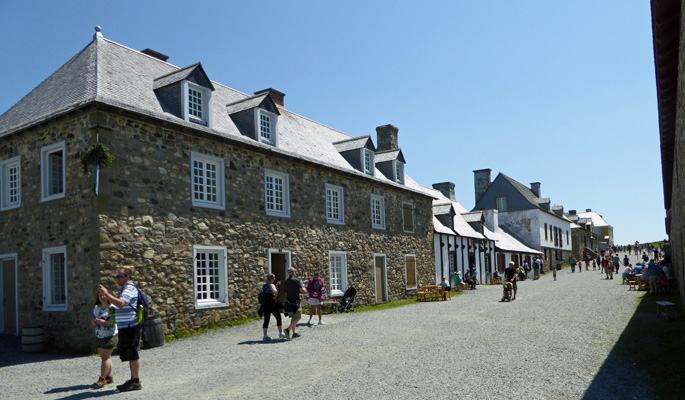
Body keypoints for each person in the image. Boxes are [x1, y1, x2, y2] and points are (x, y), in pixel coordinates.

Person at [98, 268, 142, 392]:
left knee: (132, 353)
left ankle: (135, 381)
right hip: (126, 326)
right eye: (117, 277)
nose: (117, 279)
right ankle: (134, 380)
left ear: (127, 277)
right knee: (130, 353)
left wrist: (107, 294)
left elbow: (121, 303)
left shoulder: (129, 288)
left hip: (130, 326)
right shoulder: (126, 288)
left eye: (119, 277)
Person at [92, 291, 118, 389]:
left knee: (105, 357)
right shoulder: (96, 308)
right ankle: (109, 376)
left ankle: (102, 379)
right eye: (100, 295)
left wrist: (104, 322)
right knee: (105, 356)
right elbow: (92, 318)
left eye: (104, 295)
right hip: (99, 335)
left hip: (110, 335)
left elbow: (114, 320)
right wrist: (95, 321)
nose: (102, 297)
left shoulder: (112, 308)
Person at [283, 267, 307, 339]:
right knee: (298, 317)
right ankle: (288, 330)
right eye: (294, 272)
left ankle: (294, 333)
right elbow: (302, 290)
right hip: (295, 301)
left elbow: (285, 291)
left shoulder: (286, 281)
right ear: (293, 273)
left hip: (289, 301)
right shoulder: (296, 280)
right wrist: (305, 289)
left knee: (293, 317)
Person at [259, 273, 284, 341]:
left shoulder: (264, 285)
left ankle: (265, 335)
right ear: (272, 279)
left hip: (265, 304)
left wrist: (276, 285)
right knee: (278, 317)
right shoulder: (271, 285)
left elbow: (268, 291)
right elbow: (275, 291)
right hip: (272, 304)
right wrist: (276, 295)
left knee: (266, 319)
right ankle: (281, 333)